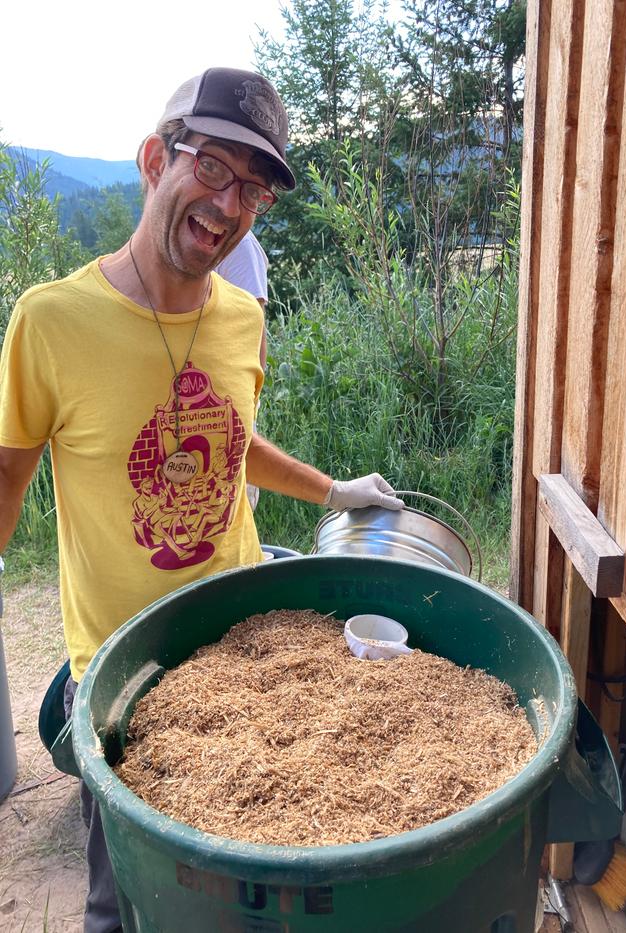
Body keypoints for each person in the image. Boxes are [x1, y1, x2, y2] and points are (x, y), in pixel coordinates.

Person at [0, 67, 403, 933]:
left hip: (243, 644)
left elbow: (230, 444)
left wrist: (334, 489)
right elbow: (8, 469)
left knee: (255, 889)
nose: (229, 204)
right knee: (127, 901)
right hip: (118, 672)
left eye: (253, 189)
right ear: (155, 159)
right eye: (213, 167)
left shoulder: (241, 318)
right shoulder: (50, 321)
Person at [215, 231, 269, 509]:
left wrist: (246, 406)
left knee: (235, 505)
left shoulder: (241, 246)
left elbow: (254, 332)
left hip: (228, 409)